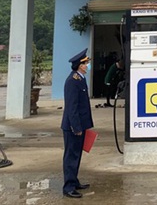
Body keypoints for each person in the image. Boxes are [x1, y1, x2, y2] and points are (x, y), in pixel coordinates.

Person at [61, 48, 94, 199]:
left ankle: (74, 181)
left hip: (81, 124)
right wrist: (76, 127)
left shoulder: (80, 79)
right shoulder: (72, 81)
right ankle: (68, 187)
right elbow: (72, 107)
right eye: (86, 63)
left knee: (77, 154)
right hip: (73, 126)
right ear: (80, 66)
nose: (87, 65)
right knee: (71, 156)